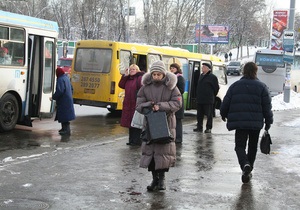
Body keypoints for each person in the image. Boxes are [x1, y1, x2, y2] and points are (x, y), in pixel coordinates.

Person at [220, 62, 273, 184]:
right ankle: (248, 170)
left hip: (240, 123)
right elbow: (267, 107)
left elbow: (226, 102)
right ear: (256, 71)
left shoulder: (235, 86)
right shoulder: (262, 87)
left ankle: (245, 164)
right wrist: (268, 122)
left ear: (243, 71)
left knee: (239, 146)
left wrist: (223, 114)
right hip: (255, 124)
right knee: (252, 147)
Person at [136, 60, 182, 191]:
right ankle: (154, 178)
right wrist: (148, 106)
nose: (156, 77)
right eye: (154, 74)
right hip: (150, 125)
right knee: (150, 153)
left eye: (158, 74)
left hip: (166, 124)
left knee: (163, 153)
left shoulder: (171, 87)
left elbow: (177, 103)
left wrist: (161, 106)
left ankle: (161, 179)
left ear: (163, 74)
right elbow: (138, 105)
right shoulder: (145, 88)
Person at [118, 64, 145, 146]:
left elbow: (143, 89)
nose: (132, 71)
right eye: (130, 69)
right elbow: (121, 85)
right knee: (130, 123)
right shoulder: (128, 78)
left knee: (136, 122)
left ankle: (137, 141)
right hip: (128, 103)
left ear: (137, 70)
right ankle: (131, 140)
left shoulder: (139, 78)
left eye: (133, 69)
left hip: (136, 103)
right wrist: (125, 76)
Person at [193, 63, 219, 133]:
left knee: (209, 114)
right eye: (202, 67)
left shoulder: (212, 77)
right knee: (199, 114)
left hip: (208, 99)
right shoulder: (201, 76)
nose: (202, 68)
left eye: (204, 67)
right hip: (200, 99)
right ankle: (199, 127)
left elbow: (216, 88)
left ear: (208, 68)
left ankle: (208, 128)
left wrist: (212, 95)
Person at [50, 67, 75, 135]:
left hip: (63, 100)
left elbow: (60, 91)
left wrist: (53, 97)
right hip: (67, 99)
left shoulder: (60, 79)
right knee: (65, 115)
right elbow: (72, 88)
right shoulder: (66, 78)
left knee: (64, 116)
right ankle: (64, 129)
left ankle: (66, 130)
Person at [169, 63, 185, 144]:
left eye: (173, 68)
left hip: (178, 101)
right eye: (171, 68)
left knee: (178, 120)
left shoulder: (180, 78)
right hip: (171, 101)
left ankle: (178, 138)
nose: (172, 69)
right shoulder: (170, 77)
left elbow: (182, 90)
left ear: (177, 69)